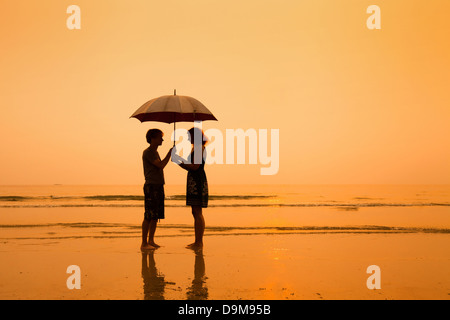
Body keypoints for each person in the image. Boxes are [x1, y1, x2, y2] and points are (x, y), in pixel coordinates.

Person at [173, 127, 209, 249]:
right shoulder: (197, 148)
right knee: (196, 212)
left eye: (190, 136)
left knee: (197, 212)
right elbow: (192, 165)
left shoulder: (199, 148)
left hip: (197, 181)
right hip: (195, 180)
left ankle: (199, 242)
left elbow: (194, 166)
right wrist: (178, 159)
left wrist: (179, 161)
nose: (188, 138)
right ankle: (198, 241)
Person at [141, 129, 172, 251]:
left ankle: (151, 240)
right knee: (149, 215)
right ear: (152, 138)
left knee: (156, 216)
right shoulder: (148, 152)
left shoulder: (155, 152)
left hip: (158, 185)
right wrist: (170, 154)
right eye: (160, 137)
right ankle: (144, 243)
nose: (162, 140)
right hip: (151, 186)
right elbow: (161, 165)